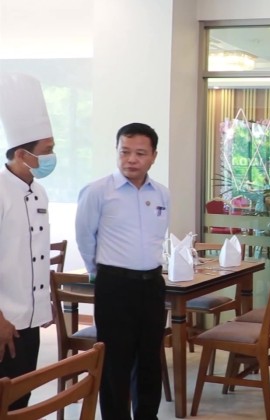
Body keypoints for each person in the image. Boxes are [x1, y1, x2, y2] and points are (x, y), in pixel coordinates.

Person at [76, 123, 170, 420]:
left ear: (153, 156)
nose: (131, 159)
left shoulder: (162, 194)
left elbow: (157, 237)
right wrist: (100, 272)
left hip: (152, 284)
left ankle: (147, 416)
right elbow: (84, 237)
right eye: (124, 152)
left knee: (150, 358)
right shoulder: (98, 191)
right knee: (115, 361)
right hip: (115, 285)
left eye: (140, 153)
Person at [0, 73, 57, 411]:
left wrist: (44, 304)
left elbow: (36, 254)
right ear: (22, 153)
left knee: (22, 399)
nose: (52, 156)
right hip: (4, 322)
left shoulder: (39, 191)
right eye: (47, 150)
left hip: (31, 320)